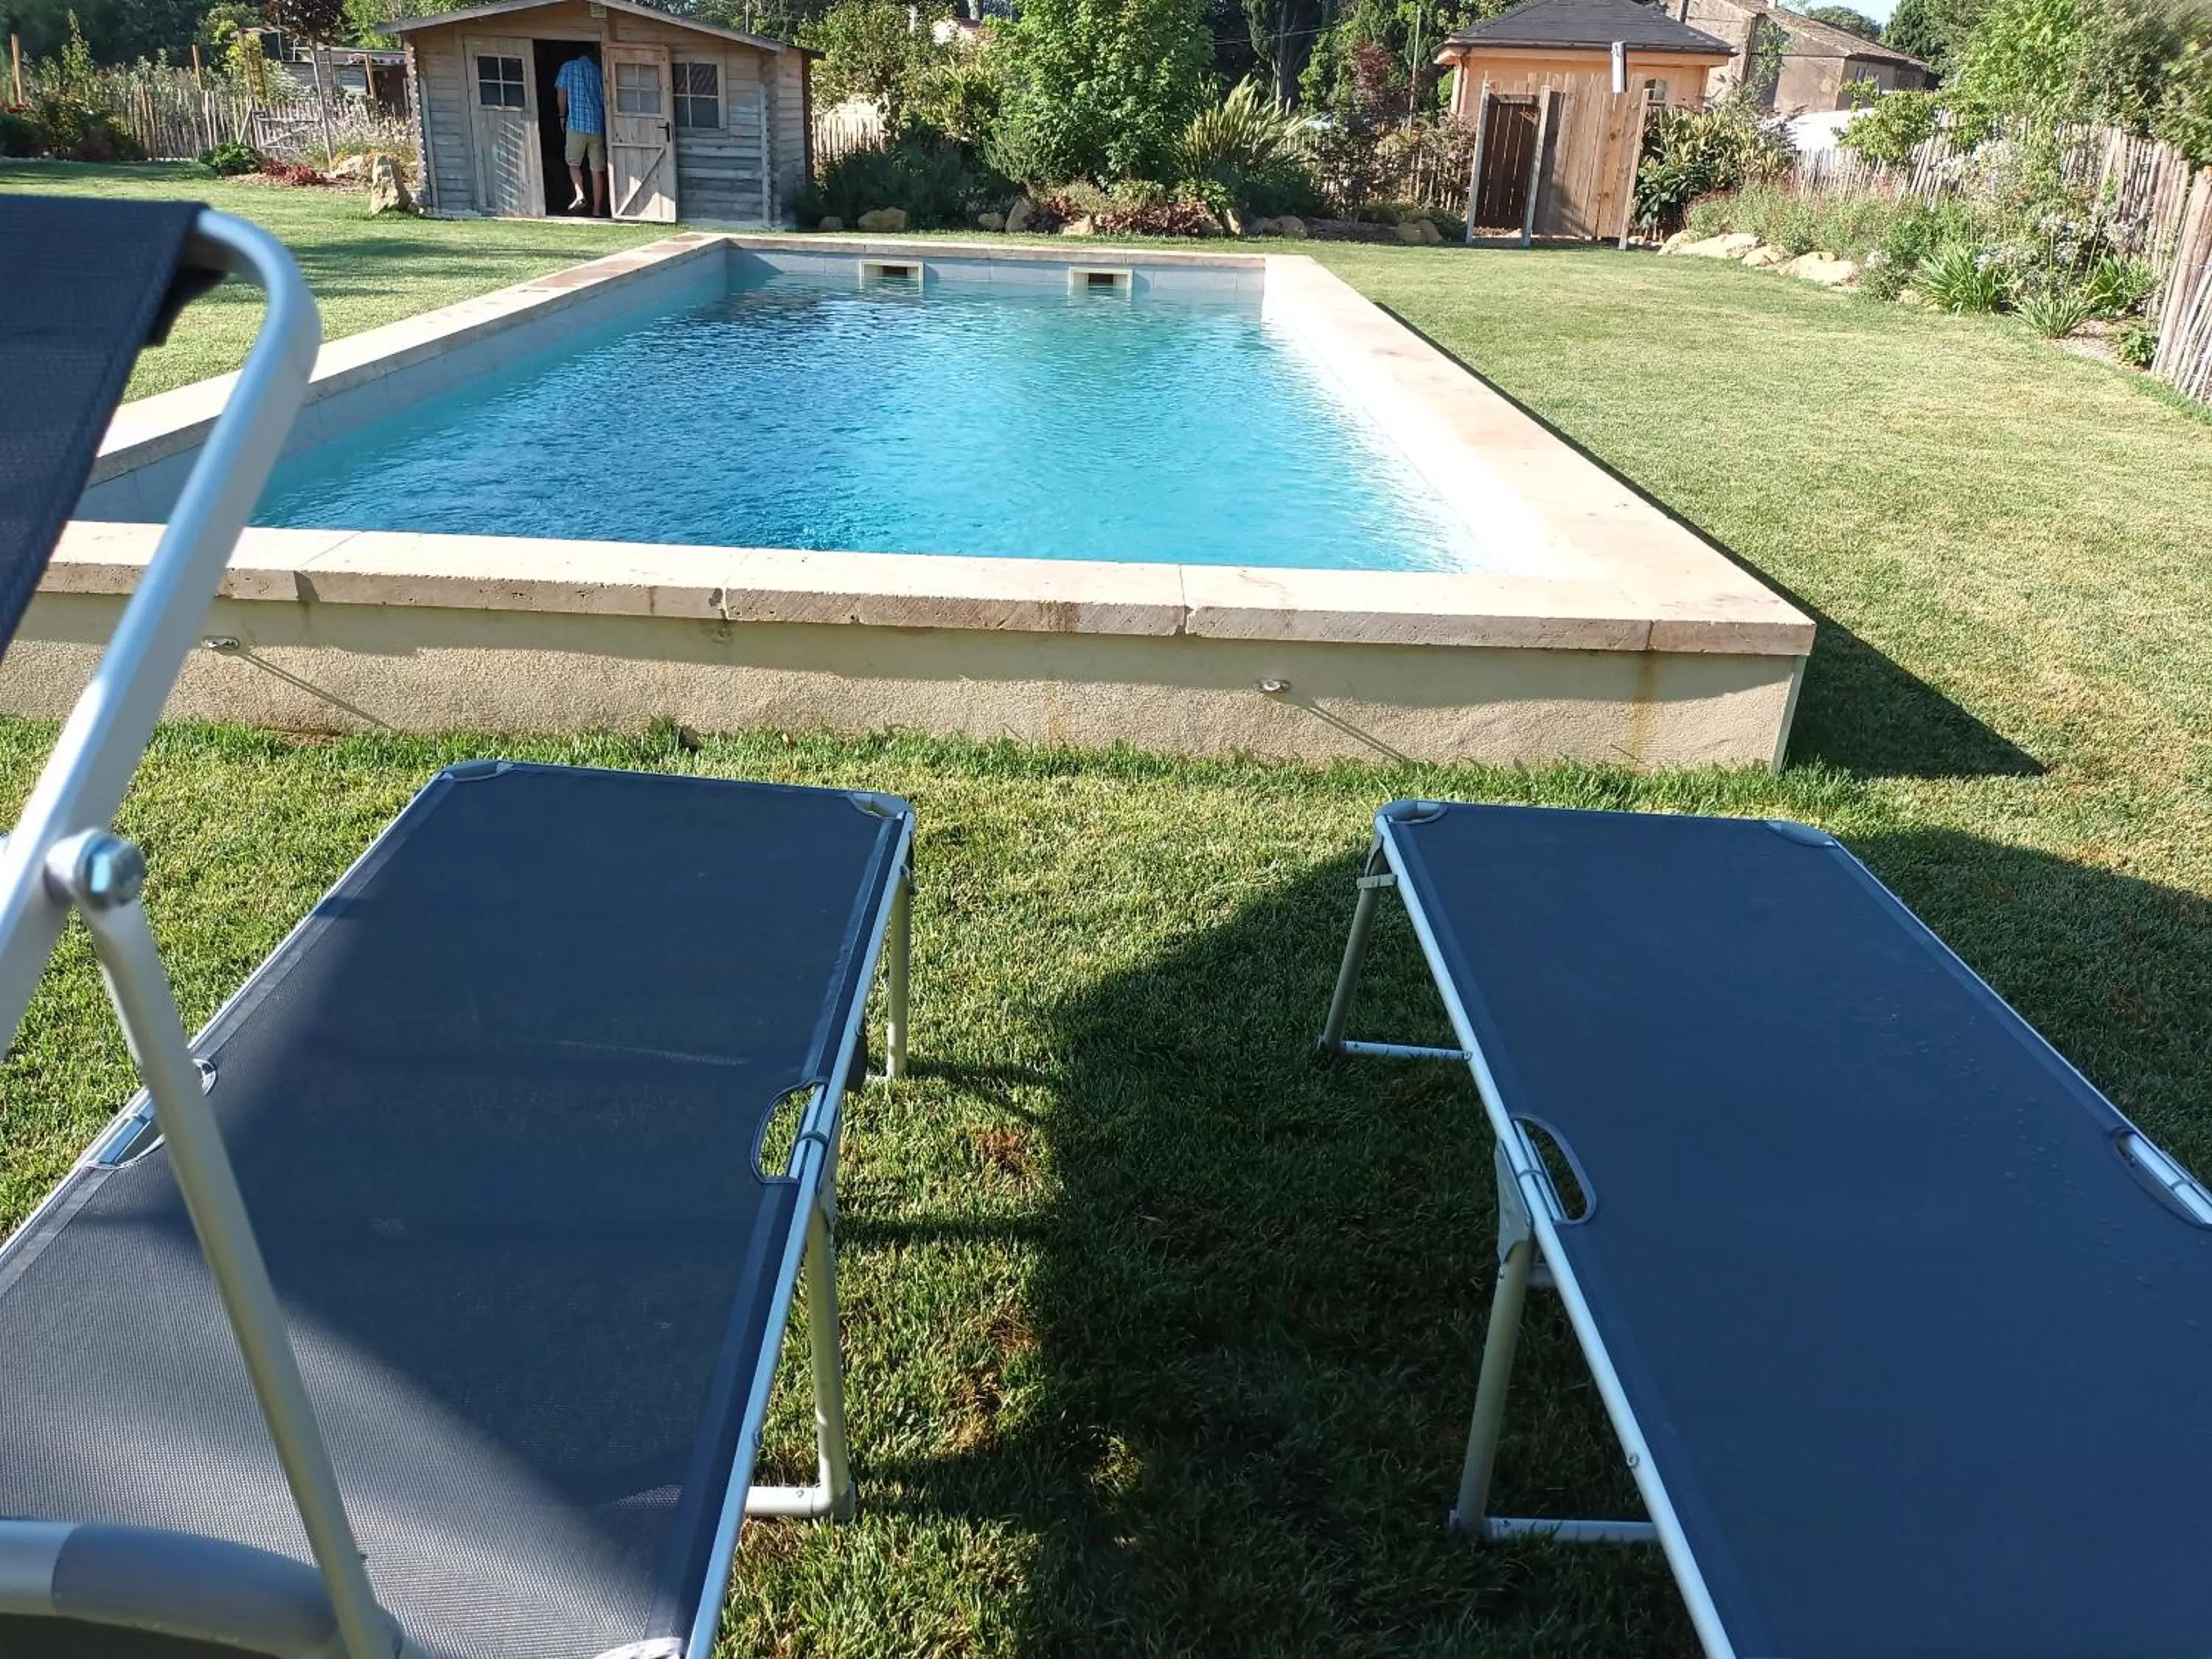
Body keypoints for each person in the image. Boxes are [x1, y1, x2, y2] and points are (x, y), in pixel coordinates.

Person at [554, 52, 607, 216]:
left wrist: (562, 116)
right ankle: (597, 210)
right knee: (597, 169)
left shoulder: (568, 67)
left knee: (574, 163)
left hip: (576, 124)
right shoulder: (597, 71)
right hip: (596, 126)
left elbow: (562, 92)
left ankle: (580, 194)